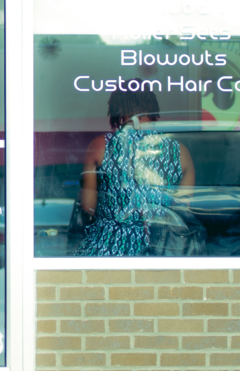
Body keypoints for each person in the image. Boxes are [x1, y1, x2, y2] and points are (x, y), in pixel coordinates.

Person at [79, 86, 194, 257]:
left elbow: (88, 206)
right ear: (152, 108)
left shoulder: (100, 146)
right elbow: (184, 207)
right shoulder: (180, 152)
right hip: (160, 247)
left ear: (117, 109)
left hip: (107, 246)